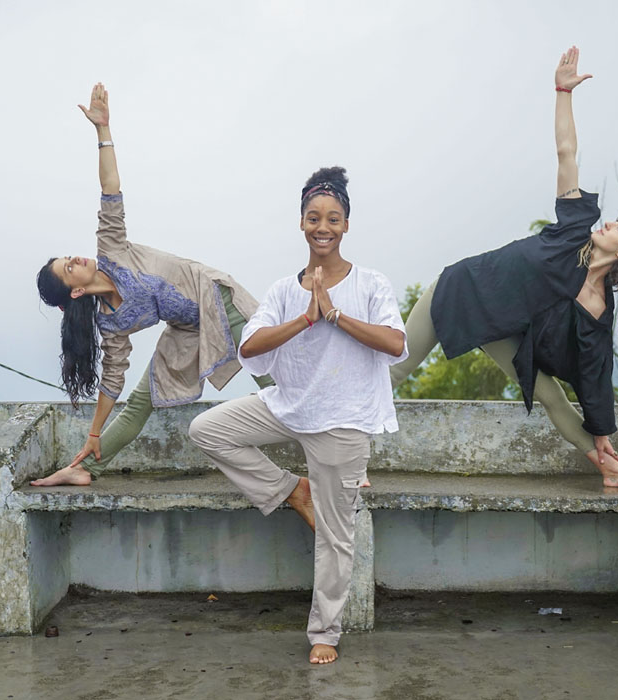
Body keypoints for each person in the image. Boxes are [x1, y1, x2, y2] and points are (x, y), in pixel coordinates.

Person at [390, 47, 618, 491]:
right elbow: (566, 152)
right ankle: (332, 443)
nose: (610, 221)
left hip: (501, 325)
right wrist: (562, 92)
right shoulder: (575, 228)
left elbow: (596, 373)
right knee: (395, 371)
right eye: (617, 218)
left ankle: (610, 469)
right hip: (461, 289)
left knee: (554, 398)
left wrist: (602, 434)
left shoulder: (598, 306)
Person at [188, 167, 407, 664]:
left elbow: (395, 342)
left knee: (335, 534)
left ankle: (325, 632)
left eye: (332, 218)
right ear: (302, 223)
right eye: (313, 217)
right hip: (288, 407)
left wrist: (334, 314)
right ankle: (291, 489)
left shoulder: (371, 284)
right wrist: (306, 316)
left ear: (346, 225)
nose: (322, 226)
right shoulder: (286, 289)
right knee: (208, 429)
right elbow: (251, 345)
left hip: (342, 422)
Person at [32, 83, 272, 487]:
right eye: (68, 268)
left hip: (216, 298)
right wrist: (93, 434)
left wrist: (102, 132)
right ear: (74, 291)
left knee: (271, 377)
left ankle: (339, 461)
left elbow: (110, 189)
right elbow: (112, 381)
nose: (75, 259)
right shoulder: (112, 324)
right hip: (187, 328)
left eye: (68, 256)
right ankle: (84, 468)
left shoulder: (111, 248)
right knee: (139, 403)